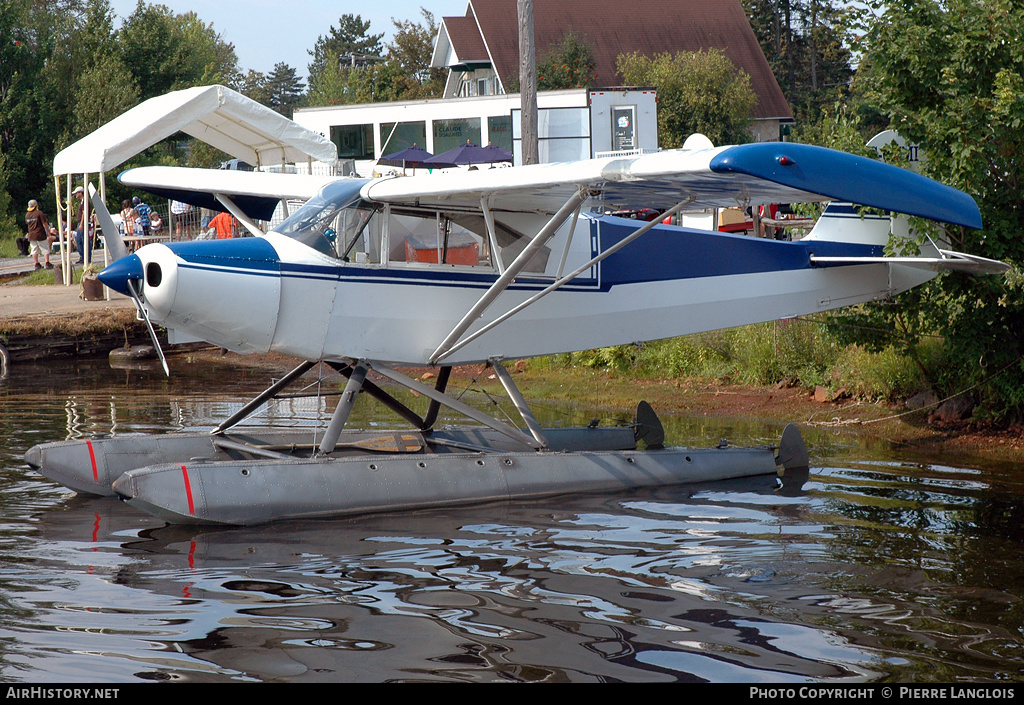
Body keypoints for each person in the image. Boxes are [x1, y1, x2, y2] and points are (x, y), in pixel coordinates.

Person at [25, 199, 55, 269]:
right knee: (45, 248)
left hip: (31, 235)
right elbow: (44, 224)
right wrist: (48, 232)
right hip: (40, 234)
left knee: (34, 249)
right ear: (36, 206)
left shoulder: (27, 215)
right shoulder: (39, 213)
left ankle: (36, 264)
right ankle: (47, 263)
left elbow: (28, 225)